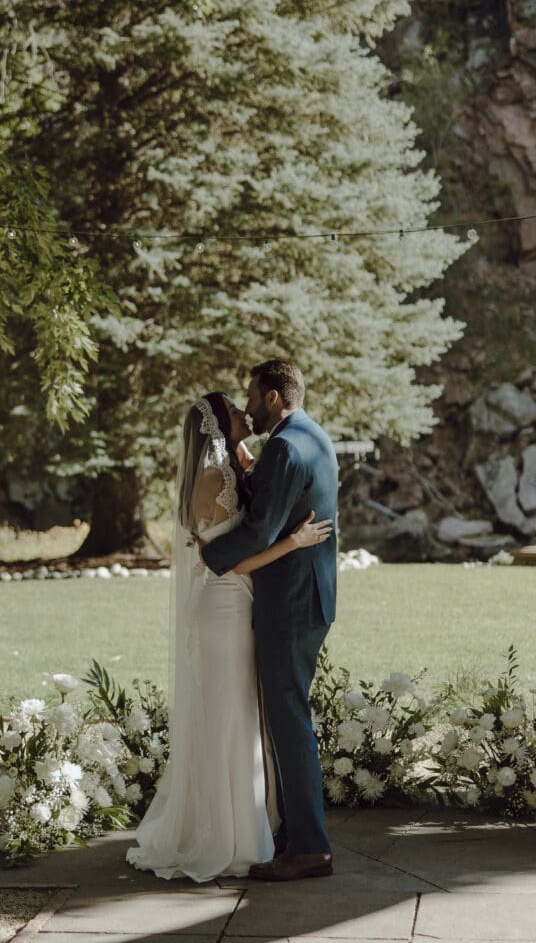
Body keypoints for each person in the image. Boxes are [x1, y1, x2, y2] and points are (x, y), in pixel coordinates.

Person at [126, 391, 331, 882]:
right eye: (235, 412)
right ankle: (228, 833)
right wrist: (294, 541)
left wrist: (244, 460)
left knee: (239, 715)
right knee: (230, 717)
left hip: (235, 604)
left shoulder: (226, 472)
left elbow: (241, 515)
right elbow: (233, 559)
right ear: (218, 427)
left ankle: (245, 825)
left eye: (245, 405)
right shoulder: (215, 479)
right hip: (224, 606)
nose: (245, 412)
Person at [202, 359, 338, 882]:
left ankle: (309, 848)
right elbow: (285, 502)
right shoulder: (311, 435)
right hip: (312, 597)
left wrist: (208, 555)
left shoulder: (282, 447)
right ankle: (292, 833)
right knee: (287, 716)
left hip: (289, 602)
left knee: (289, 720)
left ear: (274, 397)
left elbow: (261, 532)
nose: (249, 405)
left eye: (253, 396)